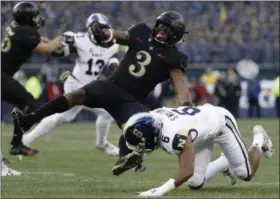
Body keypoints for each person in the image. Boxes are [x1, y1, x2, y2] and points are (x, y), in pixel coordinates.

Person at [12, 11, 192, 175]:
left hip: (131, 100)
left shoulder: (175, 58)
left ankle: (124, 158)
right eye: (160, 26)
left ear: (175, 36)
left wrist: (187, 107)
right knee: (75, 96)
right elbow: (118, 36)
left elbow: (180, 86)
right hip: (111, 86)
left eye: (167, 30)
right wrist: (106, 32)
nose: (161, 31)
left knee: (135, 130)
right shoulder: (142, 31)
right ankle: (30, 119)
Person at [21, 13, 120, 156]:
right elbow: (59, 52)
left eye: (106, 28)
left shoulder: (111, 44)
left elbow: (112, 59)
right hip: (76, 85)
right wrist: (60, 48)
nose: (105, 31)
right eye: (102, 28)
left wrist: (115, 69)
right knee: (105, 112)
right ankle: (101, 144)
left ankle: (27, 139)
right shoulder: (80, 39)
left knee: (64, 117)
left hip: (89, 86)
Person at [122, 104, 273, 196]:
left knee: (245, 173)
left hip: (221, 124)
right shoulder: (153, 118)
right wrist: (135, 153)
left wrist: (160, 190)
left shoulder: (174, 133)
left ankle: (259, 138)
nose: (142, 147)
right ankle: (224, 161)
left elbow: (186, 170)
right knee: (195, 182)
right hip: (201, 130)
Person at [1, 2, 63, 157]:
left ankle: (17, 144)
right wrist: (61, 39)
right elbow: (47, 49)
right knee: (30, 106)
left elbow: (37, 39)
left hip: (3, 75)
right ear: (28, 18)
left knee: (27, 106)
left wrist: (48, 40)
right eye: (34, 16)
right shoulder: (26, 33)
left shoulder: (18, 27)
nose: (37, 19)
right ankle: (16, 144)